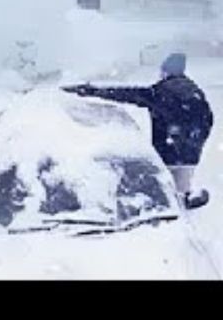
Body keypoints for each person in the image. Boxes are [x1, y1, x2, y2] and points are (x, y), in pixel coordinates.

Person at [63, 52, 213, 208]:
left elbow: (130, 94)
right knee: (180, 194)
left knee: (169, 199)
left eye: (162, 71)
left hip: (168, 156)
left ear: (166, 72)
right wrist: (192, 143)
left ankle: (171, 212)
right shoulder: (195, 92)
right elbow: (208, 120)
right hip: (189, 158)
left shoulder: (162, 91)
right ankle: (185, 204)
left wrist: (94, 91)